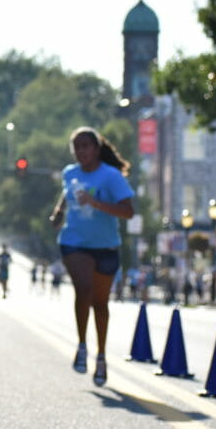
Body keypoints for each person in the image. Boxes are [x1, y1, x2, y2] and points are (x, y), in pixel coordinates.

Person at [50, 126, 134, 387]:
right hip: (74, 242)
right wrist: (59, 212)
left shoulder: (111, 176)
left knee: (100, 303)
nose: (80, 151)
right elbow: (67, 192)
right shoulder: (70, 172)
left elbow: (128, 211)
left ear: (96, 149)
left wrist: (94, 202)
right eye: (76, 147)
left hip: (106, 246)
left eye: (85, 146)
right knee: (83, 288)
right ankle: (82, 345)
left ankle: (101, 355)